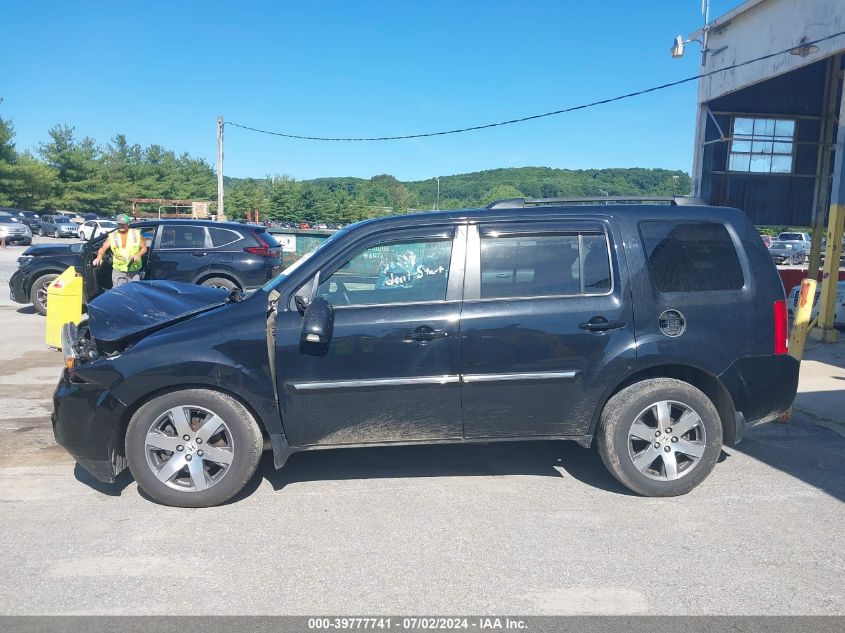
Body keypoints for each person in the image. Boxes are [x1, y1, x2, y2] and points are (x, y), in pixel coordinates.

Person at [92, 213, 147, 287]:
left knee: (133, 291)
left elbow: (144, 248)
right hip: (119, 270)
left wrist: (138, 255)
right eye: (120, 224)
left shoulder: (136, 234)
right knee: (118, 292)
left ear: (128, 224)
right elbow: (102, 249)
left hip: (134, 270)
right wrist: (99, 257)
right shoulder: (112, 236)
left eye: (124, 224)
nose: (122, 226)